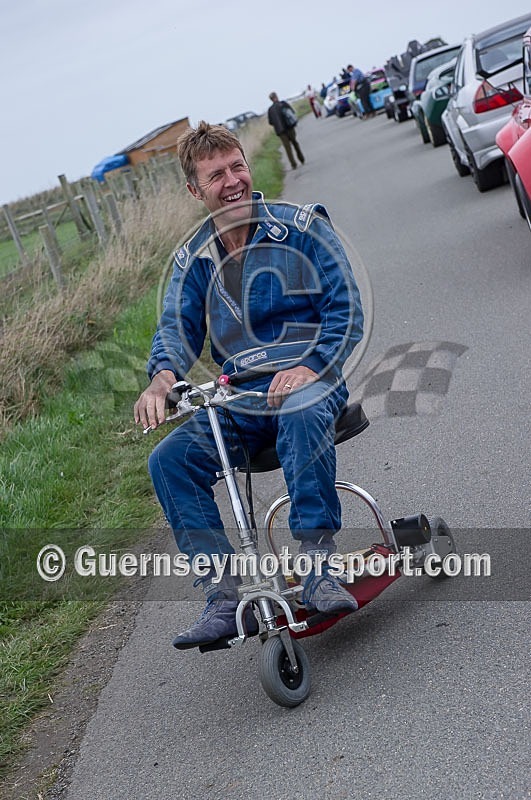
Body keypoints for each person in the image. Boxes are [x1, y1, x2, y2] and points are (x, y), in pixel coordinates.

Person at [134, 122, 364, 649]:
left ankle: (317, 567)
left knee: (302, 408)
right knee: (168, 460)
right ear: (196, 190)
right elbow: (175, 327)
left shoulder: (300, 228)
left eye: (237, 166)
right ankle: (223, 595)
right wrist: (162, 379)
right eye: (216, 175)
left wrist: (311, 366)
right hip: (240, 400)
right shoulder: (195, 259)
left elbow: (346, 308)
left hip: (312, 382)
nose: (232, 180)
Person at [267, 92, 305, 169]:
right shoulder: (283, 104)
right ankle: (301, 159)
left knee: (287, 148)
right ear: (276, 96)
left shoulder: (270, 110)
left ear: (271, 99)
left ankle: (293, 164)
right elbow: (292, 112)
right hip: (289, 128)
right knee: (295, 143)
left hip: (280, 131)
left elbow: (270, 122)